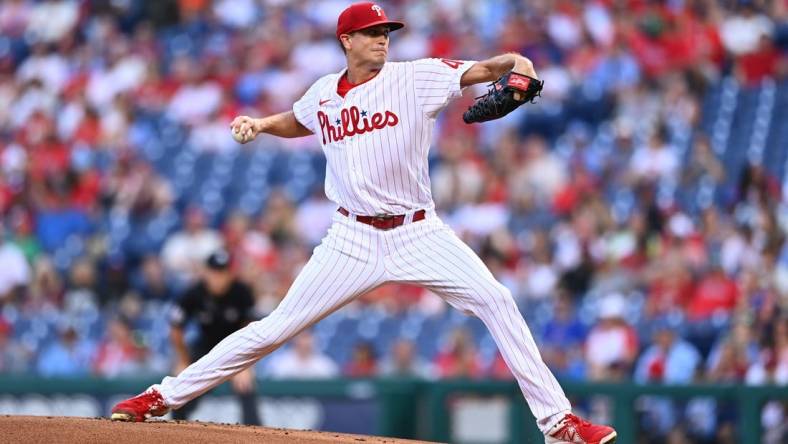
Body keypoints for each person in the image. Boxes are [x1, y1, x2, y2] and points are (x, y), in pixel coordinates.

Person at [111, 3, 616, 442]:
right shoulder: (323, 93)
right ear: (346, 40)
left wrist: (521, 63)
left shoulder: (414, 77)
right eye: (373, 33)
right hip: (350, 237)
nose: (382, 40)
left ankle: (559, 424)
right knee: (273, 329)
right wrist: (263, 124)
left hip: (419, 231)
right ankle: (162, 396)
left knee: (497, 300)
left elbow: (491, 67)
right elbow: (301, 118)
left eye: (386, 33)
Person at [167, 249, 261, 425]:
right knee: (182, 384)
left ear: (230, 274)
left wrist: (246, 364)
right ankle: (175, 431)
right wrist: (183, 359)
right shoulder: (194, 292)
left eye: (223, 272)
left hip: (236, 348)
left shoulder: (241, 292)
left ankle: (256, 434)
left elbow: (251, 327)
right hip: (205, 348)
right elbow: (176, 328)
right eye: (214, 272)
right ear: (206, 272)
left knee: (246, 384)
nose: (218, 277)